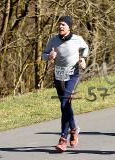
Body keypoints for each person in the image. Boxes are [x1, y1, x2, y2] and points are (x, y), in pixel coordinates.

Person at [42, 16, 89, 152]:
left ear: (69, 27)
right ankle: (74, 129)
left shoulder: (77, 39)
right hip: (58, 77)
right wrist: (49, 57)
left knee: (64, 104)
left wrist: (83, 60)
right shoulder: (54, 40)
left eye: (63, 24)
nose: (60, 27)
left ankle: (63, 139)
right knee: (65, 106)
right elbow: (43, 55)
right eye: (59, 25)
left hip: (72, 76)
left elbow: (86, 48)